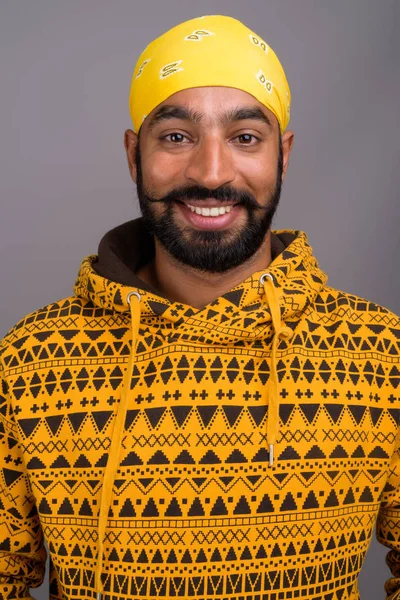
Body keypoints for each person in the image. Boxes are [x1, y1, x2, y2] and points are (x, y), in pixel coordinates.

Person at [0, 14, 399, 600]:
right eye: (177, 136)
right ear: (135, 155)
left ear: (283, 155)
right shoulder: (27, 362)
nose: (212, 173)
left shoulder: (380, 355)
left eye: (245, 137)